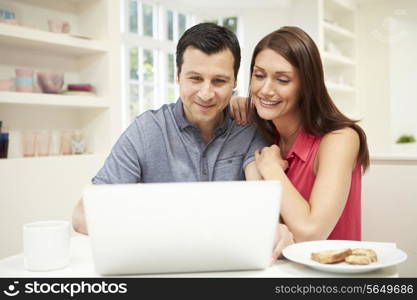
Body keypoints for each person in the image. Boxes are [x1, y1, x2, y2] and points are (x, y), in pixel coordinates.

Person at [72, 23, 294, 262]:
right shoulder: (146, 131)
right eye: (195, 79)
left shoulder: (247, 126)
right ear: (177, 76)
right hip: (160, 264)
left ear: (234, 81)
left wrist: (273, 226)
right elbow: (82, 216)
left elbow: (260, 195)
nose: (206, 93)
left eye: (219, 81)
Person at [231, 26, 369, 242]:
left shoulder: (340, 139)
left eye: (282, 80)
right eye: (259, 75)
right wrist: (232, 104)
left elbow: (311, 232)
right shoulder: (264, 133)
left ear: (307, 86)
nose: (265, 89)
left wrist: (272, 170)